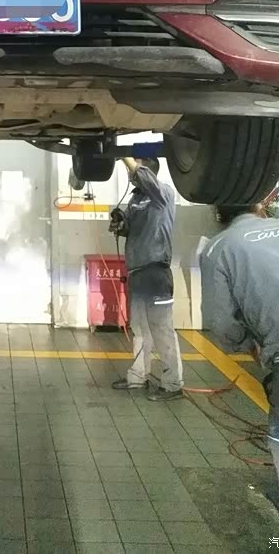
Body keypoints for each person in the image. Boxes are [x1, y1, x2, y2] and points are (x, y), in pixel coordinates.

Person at [203, 205, 279, 540]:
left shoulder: (219, 248)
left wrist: (249, 345)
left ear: (217, 213)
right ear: (261, 205)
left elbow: (223, 326)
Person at [109, 157, 184, 400]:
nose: (130, 173)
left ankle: (173, 385)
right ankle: (137, 377)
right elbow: (131, 228)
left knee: (162, 329)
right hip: (137, 271)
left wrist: (124, 156)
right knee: (140, 328)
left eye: (134, 168)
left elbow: (142, 175)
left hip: (156, 271)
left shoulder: (163, 194)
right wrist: (120, 223)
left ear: (147, 171)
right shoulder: (135, 199)